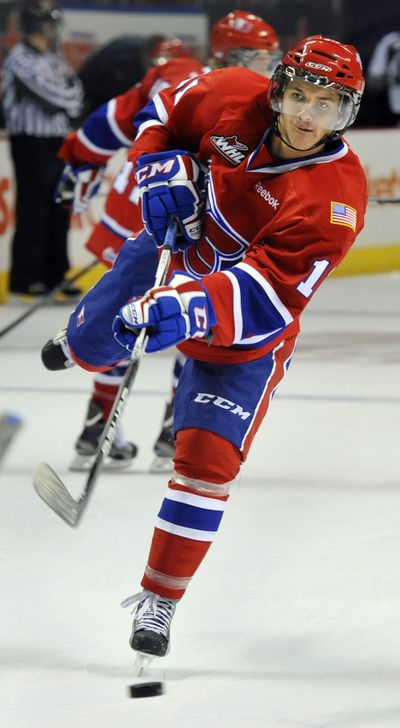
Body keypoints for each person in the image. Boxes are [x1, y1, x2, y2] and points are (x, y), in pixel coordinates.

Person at [61, 35, 367, 663]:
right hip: (171, 249)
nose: (308, 116)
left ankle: (160, 599)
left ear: (346, 114)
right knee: (93, 345)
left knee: (206, 462)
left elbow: (268, 297)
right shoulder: (230, 93)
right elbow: (160, 115)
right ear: (279, 88)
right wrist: (160, 165)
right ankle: (75, 343)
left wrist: (187, 307)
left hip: (244, 331)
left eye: (328, 106)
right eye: (300, 96)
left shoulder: (334, 201)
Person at [46, 11, 282, 473]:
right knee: (161, 320)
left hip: (167, 225)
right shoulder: (199, 81)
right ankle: (158, 431)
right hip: (158, 226)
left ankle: (105, 428)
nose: (269, 67)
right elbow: (126, 118)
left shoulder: (260, 102)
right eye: (263, 57)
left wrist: (81, 162)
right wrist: (78, 161)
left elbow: (110, 120)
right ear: (234, 55)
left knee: (163, 317)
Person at [2, 1, 83, 296]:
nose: (52, 30)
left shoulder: (54, 58)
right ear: (37, 26)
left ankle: (56, 275)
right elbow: (47, 94)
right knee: (33, 208)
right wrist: (67, 102)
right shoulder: (19, 58)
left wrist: (67, 101)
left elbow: (75, 89)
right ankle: (26, 278)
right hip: (30, 141)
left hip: (56, 141)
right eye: (48, 25)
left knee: (59, 206)